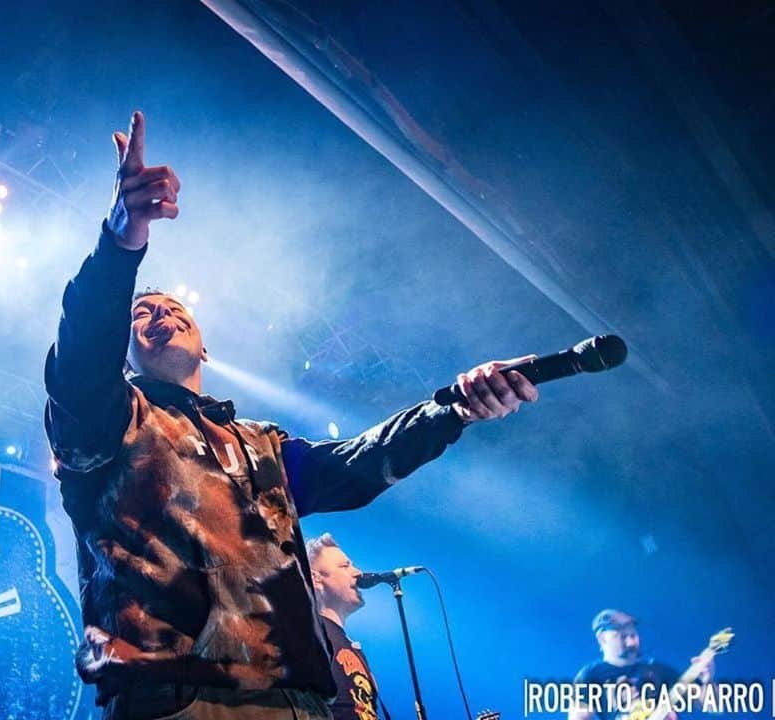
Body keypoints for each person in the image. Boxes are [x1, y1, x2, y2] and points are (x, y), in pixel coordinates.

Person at [44, 110, 539, 719]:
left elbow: (363, 464)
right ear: (123, 351)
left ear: (205, 343)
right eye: (140, 315)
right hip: (176, 702)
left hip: (295, 704)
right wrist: (122, 242)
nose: (159, 314)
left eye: (173, 307)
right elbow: (81, 354)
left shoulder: (264, 447)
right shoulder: (109, 423)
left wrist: (456, 407)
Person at [569, 609, 715, 720]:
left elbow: (711, 706)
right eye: (623, 636)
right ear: (602, 639)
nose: (632, 642)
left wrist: (707, 679)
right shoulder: (590, 675)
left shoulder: (659, 669)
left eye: (633, 635)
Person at [307, 534, 388, 720]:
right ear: (316, 578)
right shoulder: (310, 633)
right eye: (345, 566)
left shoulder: (352, 647)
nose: (358, 572)